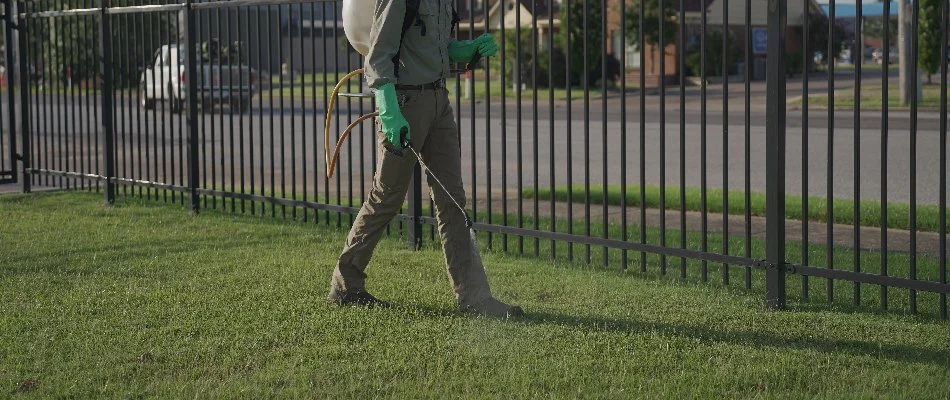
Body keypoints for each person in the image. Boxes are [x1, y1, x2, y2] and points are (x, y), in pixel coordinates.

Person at [327, 0, 523, 319]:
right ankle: (345, 285)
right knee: (387, 197)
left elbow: (437, 47)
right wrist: (389, 111)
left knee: (452, 200)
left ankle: (474, 298)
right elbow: (378, 55)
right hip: (405, 102)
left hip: (438, 101)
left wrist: (468, 48)